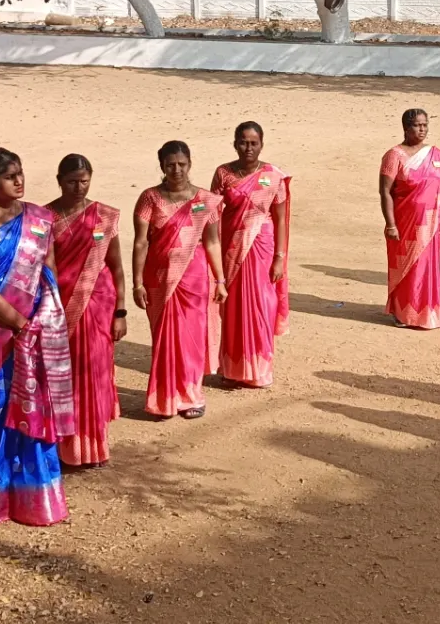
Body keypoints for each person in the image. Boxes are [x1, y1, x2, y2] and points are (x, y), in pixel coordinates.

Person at [0, 148, 74, 525]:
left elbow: (48, 270)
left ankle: (35, 495)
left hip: (36, 326)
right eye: (9, 176)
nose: (19, 182)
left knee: (34, 403)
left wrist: (43, 319)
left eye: (21, 173)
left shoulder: (39, 217)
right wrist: (18, 322)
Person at [134, 141, 226, 417]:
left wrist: (220, 279)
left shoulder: (206, 201)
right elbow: (141, 243)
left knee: (192, 338)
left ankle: (191, 396)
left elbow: (212, 242)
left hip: (195, 279)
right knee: (163, 338)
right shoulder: (150, 198)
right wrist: (137, 283)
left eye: (181, 164)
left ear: (190, 163)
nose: (176, 170)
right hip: (159, 279)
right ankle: (164, 398)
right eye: (170, 164)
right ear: (161, 165)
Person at [47, 154, 124, 467]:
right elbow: (45, 266)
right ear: (59, 180)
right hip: (58, 306)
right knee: (61, 376)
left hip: (97, 305)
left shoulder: (104, 216)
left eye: (84, 180)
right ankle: (63, 447)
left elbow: (116, 266)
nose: (78, 187)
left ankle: (93, 447)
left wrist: (120, 311)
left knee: (93, 372)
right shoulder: (46, 217)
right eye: (71, 181)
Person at [212, 121, 291, 387]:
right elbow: (212, 215)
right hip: (231, 250)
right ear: (235, 144)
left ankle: (259, 368)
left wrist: (279, 257)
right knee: (233, 307)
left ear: (261, 144)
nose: (248, 148)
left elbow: (280, 218)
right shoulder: (223, 173)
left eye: (253, 143)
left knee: (261, 304)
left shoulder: (273, 175)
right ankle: (233, 367)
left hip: (262, 247)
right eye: (243, 142)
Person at [379, 109, 440, 330]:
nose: (422, 129)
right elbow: (385, 191)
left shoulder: (436, 154)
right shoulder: (394, 156)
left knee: (426, 266)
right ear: (406, 127)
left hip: (432, 224)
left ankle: (427, 311)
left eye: (425, 125)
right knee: (406, 267)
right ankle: (403, 312)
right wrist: (391, 223)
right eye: (417, 125)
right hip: (405, 222)